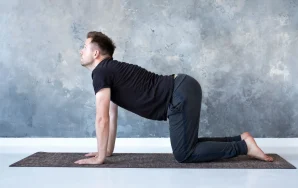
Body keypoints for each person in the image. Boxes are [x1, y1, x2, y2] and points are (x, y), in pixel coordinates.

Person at [74, 31, 273, 165]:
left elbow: (102, 119)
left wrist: (99, 158)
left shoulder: (101, 72)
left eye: (84, 46)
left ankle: (243, 147)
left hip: (178, 94)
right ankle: (240, 140)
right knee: (189, 144)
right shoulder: (110, 71)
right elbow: (111, 113)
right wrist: (106, 152)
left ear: (96, 53)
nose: (81, 51)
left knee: (184, 153)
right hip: (183, 87)